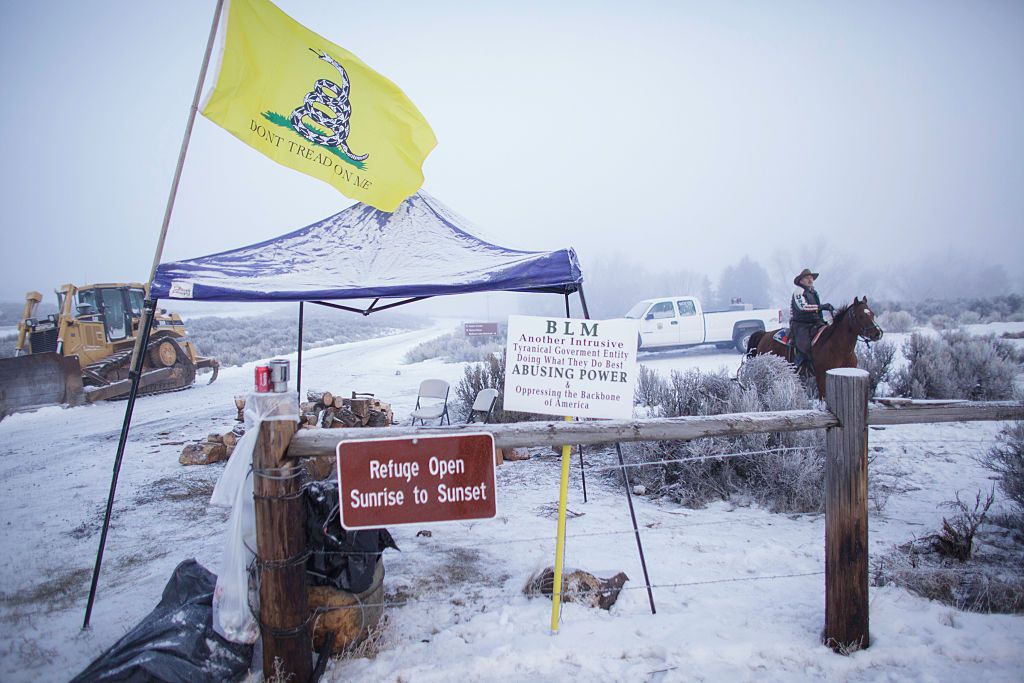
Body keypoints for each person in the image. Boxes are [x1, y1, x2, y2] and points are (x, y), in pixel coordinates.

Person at [790, 268, 834, 373]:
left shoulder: (814, 292)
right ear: (801, 281)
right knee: (804, 346)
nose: (810, 280)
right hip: (801, 324)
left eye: (811, 278)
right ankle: (796, 366)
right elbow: (803, 307)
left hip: (816, 323)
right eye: (807, 278)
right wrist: (821, 307)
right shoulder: (798, 292)